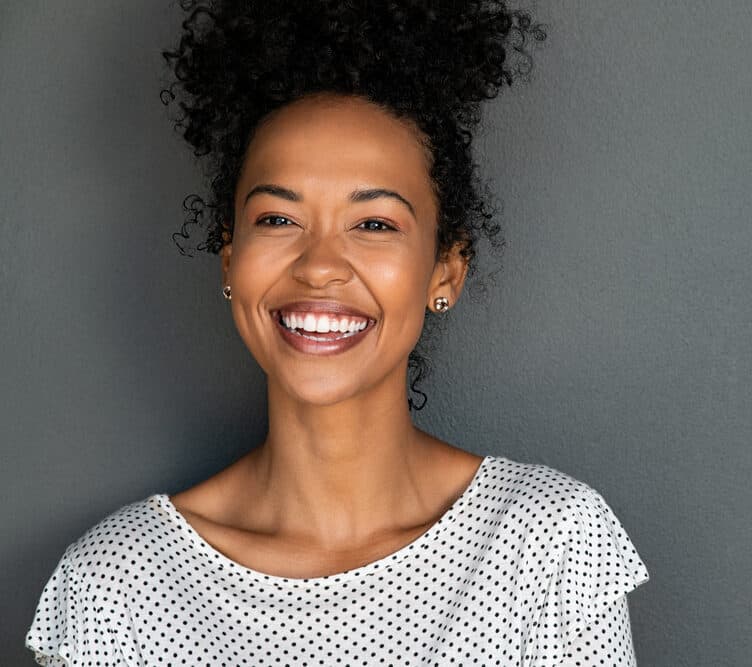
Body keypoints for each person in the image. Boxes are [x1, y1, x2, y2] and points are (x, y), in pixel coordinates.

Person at [25, 1, 649, 664]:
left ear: (446, 268)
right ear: (230, 257)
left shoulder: (549, 544)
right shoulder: (113, 589)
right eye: (277, 219)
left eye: (374, 223)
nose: (319, 265)